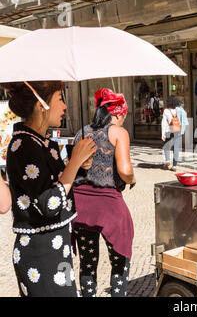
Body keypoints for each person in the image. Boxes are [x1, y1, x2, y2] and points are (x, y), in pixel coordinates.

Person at [0, 81, 96, 297]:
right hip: (40, 255)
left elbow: (60, 184)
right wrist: (73, 164)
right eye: (60, 98)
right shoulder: (23, 146)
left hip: (55, 250)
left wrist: (79, 166)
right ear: (40, 105)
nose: (64, 106)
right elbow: (49, 203)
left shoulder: (43, 144)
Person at [72, 88, 136, 297]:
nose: (123, 120)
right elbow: (125, 171)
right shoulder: (119, 133)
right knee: (119, 259)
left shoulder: (81, 132)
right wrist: (132, 179)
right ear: (118, 113)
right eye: (124, 116)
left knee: (87, 263)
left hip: (81, 206)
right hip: (109, 206)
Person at [161, 96, 182, 171]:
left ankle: (167, 160)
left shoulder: (166, 111)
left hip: (168, 130)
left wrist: (163, 134)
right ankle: (174, 166)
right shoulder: (179, 110)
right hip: (177, 130)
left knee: (166, 145)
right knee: (176, 147)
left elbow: (164, 123)